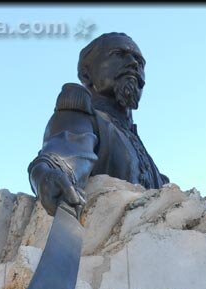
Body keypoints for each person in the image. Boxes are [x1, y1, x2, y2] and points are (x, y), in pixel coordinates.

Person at [27, 32, 169, 219]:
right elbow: (65, 157)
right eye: (118, 54)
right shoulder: (82, 116)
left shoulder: (145, 156)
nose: (134, 63)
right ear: (86, 74)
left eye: (140, 62)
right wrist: (49, 175)